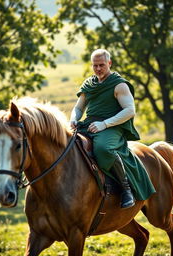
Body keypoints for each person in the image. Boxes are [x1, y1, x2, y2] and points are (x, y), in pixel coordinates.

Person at [70, 49, 155, 208]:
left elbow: (130, 110)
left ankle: (126, 189)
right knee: (69, 144)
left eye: (101, 65)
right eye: (95, 65)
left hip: (112, 126)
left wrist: (105, 124)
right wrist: (73, 119)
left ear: (109, 63)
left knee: (103, 149)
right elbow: (79, 108)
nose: (98, 69)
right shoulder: (89, 84)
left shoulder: (119, 84)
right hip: (90, 124)